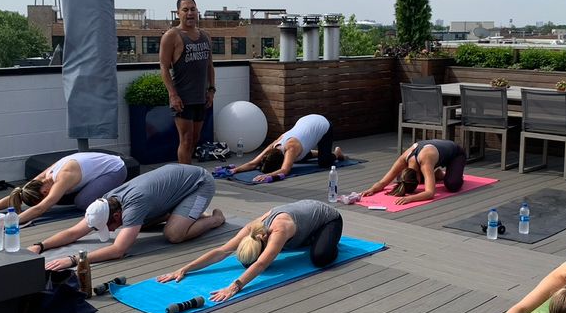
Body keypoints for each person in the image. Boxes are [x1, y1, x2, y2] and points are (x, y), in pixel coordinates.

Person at [30, 164, 224, 270]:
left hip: (199, 183)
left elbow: (118, 250)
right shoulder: (105, 203)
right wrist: (41, 246)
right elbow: (74, 232)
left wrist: (73, 260)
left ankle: (214, 218)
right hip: (171, 185)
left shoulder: (134, 206)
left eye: (111, 226)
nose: (113, 230)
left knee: (174, 234)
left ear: (116, 214)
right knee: (140, 226)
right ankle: (179, 213)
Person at [157, 199, 343, 302]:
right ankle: (309, 236)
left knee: (320, 258)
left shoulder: (279, 230)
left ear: (263, 243)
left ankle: (326, 240)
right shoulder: (252, 229)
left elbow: (262, 263)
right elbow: (221, 251)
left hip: (328, 218)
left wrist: (234, 286)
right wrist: (184, 269)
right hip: (303, 216)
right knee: (290, 245)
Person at [0, 152, 129, 225]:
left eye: (42, 195)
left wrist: (10, 223)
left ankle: (117, 193)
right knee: (62, 198)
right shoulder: (41, 179)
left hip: (116, 168)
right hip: (93, 169)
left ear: (43, 190)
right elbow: (16, 195)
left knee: (82, 202)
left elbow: (42, 207)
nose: (45, 197)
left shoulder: (64, 176)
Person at [160, 0, 215, 164]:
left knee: (195, 139)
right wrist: (173, 95)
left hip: (200, 97)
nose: (190, 13)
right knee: (186, 140)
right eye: (185, 10)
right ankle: (186, 180)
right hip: (183, 98)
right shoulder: (172, 36)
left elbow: (209, 66)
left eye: (193, 9)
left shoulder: (205, 36)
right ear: (178, 13)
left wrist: (212, 90)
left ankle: (187, 172)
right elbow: (163, 67)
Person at [231, 113, 344, 183]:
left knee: (324, 162)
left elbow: (285, 170)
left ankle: (336, 153)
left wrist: (266, 175)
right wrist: (235, 170)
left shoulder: (291, 148)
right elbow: (253, 163)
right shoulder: (273, 146)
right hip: (306, 121)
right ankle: (320, 152)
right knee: (298, 158)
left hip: (322, 124)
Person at [361, 139, 466, 205]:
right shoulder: (403, 159)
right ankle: (437, 174)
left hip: (456, 153)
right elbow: (383, 182)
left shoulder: (425, 162)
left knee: (453, 184)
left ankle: (447, 173)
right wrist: (372, 189)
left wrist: (410, 198)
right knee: (406, 179)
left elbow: (430, 193)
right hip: (436, 152)